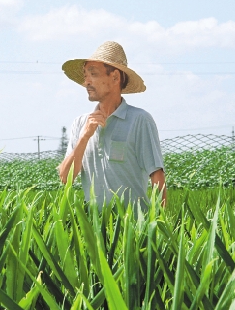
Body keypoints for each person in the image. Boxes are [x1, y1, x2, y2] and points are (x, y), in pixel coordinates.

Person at [58, 41, 166, 212]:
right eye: (85, 75)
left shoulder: (140, 120)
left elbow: (157, 176)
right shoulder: (80, 123)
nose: (86, 82)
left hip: (133, 228)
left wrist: (159, 225)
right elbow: (65, 178)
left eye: (93, 74)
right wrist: (85, 136)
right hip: (94, 230)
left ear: (115, 77)